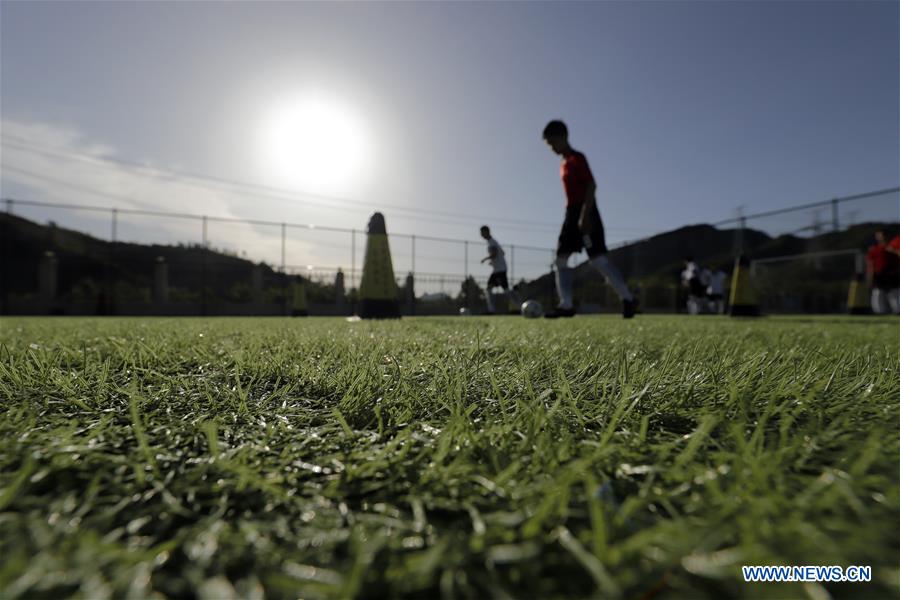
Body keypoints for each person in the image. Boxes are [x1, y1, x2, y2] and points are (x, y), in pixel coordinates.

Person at [541, 120, 637, 318]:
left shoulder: (577, 158)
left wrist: (585, 215)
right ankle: (566, 305)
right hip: (570, 213)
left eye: (552, 143)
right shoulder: (563, 163)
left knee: (598, 260)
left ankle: (628, 298)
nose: (551, 148)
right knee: (561, 259)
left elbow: (591, 186)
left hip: (586, 211)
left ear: (562, 137)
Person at [479, 225, 515, 314]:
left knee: (490, 288)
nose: (481, 235)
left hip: (499, 270)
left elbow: (495, 254)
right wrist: (494, 261)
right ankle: (515, 308)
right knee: (503, 289)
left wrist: (486, 259)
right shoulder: (493, 241)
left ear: (487, 232)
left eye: (482, 232)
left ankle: (492, 310)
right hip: (500, 269)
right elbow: (502, 252)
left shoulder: (492, 242)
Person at [866, 229, 900, 314]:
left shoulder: (894, 246)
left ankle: (897, 311)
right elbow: (870, 264)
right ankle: (879, 313)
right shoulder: (874, 250)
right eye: (878, 236)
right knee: (878, 294)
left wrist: (893, 250)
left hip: (892, 274)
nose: (881, 238)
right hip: (879, 275)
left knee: (894, 294)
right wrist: (870, 277)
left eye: (882, 235)